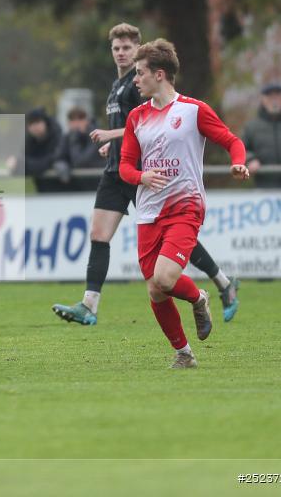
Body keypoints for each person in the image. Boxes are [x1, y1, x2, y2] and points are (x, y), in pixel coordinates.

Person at [52, 23, 241, 326]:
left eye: (127, 48)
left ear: (138, 49)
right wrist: (117, 143)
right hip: (119, 171)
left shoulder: (141, 84)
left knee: (174, 239)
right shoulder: (117, 86)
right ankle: (90, 304)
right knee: (98, 235)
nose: (121, 53)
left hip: (148, 175)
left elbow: (154, 124)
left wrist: (114, 137)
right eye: (116, 48)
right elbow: (134, 130)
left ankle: (221, 281)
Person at [118, 39, 249, 368]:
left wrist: (238, 162)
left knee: (164, 278)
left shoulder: (193, 110)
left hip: (185, 207)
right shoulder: (136, 117)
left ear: (159, 75)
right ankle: (184, 354)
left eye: (140, 73)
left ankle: (199, 296)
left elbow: (231, 140)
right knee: (156, 291)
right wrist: (141, 177)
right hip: (148, 210)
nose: (135, 79)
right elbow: (125, 166)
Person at [52, 107, 104, 191]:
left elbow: (80, 161)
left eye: (80, 119)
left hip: (97, 185)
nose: (76, 123)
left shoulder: (97, 136)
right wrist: (62, 166)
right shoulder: (66, 138)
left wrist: (74, 138)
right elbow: (59, 157)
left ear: (86, 121)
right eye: (72, 120)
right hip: (76, 188)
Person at [23, 107, 65, 193]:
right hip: (42, 189)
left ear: (45, 122)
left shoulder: (57, 136)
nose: (34, 127)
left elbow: (54, 158)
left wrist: (27, 164)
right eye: (31, 123)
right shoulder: (30, 139)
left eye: (37, 122)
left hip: (64, 190)